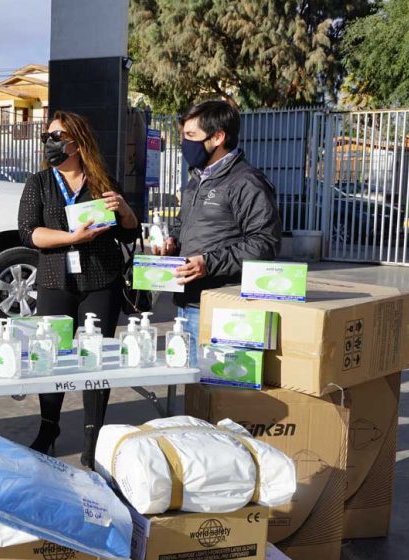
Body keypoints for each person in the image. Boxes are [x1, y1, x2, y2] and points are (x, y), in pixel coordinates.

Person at [18, 110, 141, 468]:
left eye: (58, 136)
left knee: (96, 358)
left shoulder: (102, 181)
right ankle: (48, 427)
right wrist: (72, 238)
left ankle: (93, 436)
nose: (51, 143)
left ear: (77, 141)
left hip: (100, 280)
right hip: (56, 280)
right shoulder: (39, 183)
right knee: (50, 357)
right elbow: (29, 232)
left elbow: (130, 231)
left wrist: (126, 210)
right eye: (48, 137)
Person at [154, 100, 282, 364]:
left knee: (224, 395)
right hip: (187, 302)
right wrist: (172, 244)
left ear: (218, 137)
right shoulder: (196, 180)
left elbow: (265, 244)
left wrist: (209, 263)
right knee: (194, 392)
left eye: (191, 136)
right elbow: (185, 226)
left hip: (225, 307)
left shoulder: (246, 182)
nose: (185, 144)